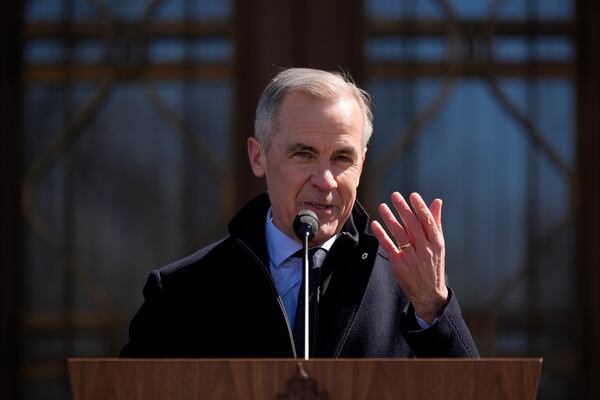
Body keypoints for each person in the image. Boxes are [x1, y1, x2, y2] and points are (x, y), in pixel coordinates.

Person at [120, 68, 478, 358]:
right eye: (303, 154)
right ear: (258, 157)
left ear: (362, 164)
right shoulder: (183, 291)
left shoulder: (407, 289)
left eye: (342, 158)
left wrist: (433, 305)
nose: (325, 181)